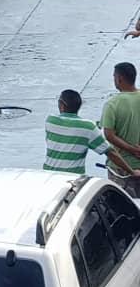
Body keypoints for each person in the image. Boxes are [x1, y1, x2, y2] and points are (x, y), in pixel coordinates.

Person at [45, 89, 139, 176]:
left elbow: (70, 127)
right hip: (73, 178)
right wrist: (132, 171)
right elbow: (111, 153)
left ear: (61, 105)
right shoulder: (88, 127)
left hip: (49, 176)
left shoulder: (50, 120)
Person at [101, 62, 140, 196]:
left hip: (121, 168)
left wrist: (132, 149)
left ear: (119, 78)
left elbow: (109, 135)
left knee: (122, 209)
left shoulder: (112, 104)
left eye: (114, 77)